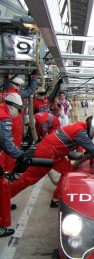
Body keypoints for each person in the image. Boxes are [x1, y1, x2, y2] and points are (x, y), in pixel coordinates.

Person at [10, 115, 94, 208]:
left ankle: (56, 199)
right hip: (47, 153)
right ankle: (4, 199)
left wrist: (93, 154)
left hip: (54, 153)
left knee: (68, 173)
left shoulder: (80, 126)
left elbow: (87, 146)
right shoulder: (79, 131)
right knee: (28, 179)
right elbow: (92, 148)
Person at [0, 93, 31, 238]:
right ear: (14, 107)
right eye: (19, 110)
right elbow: (7, 143)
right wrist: (21, 157)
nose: (18, 114)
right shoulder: (4, 116)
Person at [0, 72, 38, 173]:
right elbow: (30, 90)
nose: (21, 88)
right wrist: (34, 78)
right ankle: (8, 171)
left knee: (3, 149)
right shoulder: (16, 94)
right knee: (11, 146)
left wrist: (6, 78)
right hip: (14, 124)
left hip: (9, 123)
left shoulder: (4, 92)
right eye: (20, 86)